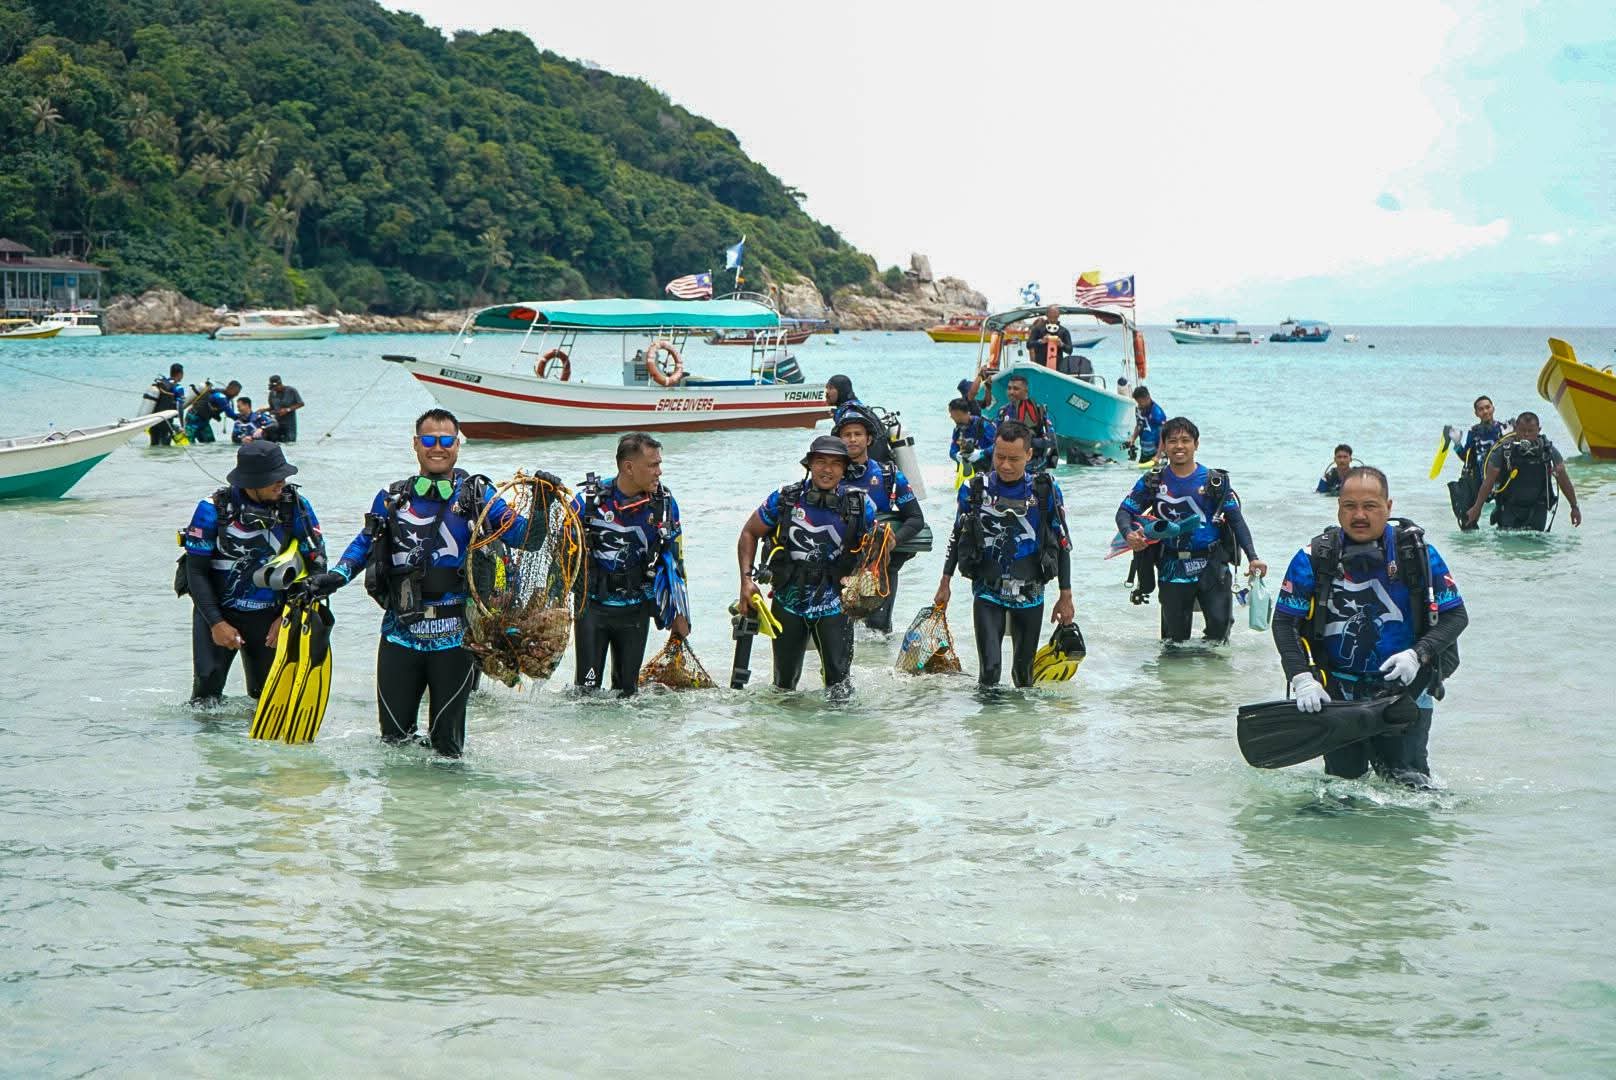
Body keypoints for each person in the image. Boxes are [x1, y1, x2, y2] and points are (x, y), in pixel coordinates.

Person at [300, 408, 533, 758]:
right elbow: (364, 544)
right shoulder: (391, 498)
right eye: (429, 440)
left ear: (457, 445)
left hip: (454, 638)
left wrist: (542, 502)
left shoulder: (478, 496)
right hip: (399, 633)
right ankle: (401, 810)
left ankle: (445, 810)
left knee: (448, 750)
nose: (437, 448)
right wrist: (337, 576)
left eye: (445, 441)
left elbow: (524, 538)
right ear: (415, 444)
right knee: (393, 744)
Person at [1272, 466, 1468, 786]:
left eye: (1370, 506)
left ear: (1389, 507)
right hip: (1336, 695)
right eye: (1349, 506)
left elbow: (1456, 617)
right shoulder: (1313, 558)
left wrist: (1417, 655)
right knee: (1342, 787)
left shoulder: (1418, 556)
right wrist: (1302, 678)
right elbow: (1284, 623)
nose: (1359, 515)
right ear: (1338, 508)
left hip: (1406, 691)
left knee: (1408, 786)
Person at [179, 441, 326, 706]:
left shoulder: (296, 508)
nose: (281, 482)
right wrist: (216, 622)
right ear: (251, 480)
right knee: (205, 696)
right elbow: (196, 572)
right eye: (274, 478)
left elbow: (317, 566)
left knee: (265, 698)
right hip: (217, 613)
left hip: (272, 617)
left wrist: (287, 616)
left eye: (283, 476)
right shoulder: (211, 510)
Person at [935, 420, 1074, 687]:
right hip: (988, 590)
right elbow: (956, 534)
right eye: (999, 457)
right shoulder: (975, 489)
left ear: (1029, 455)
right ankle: (989, 728)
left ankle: (1022, 728)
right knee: (989, 672)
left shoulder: (1044, 490)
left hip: (1031, 591)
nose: (1006, 465)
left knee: (1024, 676)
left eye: (1014, 459)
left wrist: (1065, 595)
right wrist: (945, 582)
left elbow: (1062, 541)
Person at [737, 435, 875, 691]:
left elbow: (874, 549)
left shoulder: (860, 505)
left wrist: (869, 573)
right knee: (783, 685)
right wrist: (746, 581)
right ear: (809, 465)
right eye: (820, 461)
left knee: (840, 686)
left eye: (835, 463)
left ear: (844, 469)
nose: (827, 469)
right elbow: (749, 533)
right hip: (788, 601)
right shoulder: (785, 499)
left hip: (836, 604)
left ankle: (839, 732)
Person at [1116, 416, 1267, 645]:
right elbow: (1124, 512)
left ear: (1196, 444)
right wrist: (1129, 534)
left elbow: (1236, 520)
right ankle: (1176, 682)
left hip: (1212, 564)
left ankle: (1213, 682)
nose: (1179, 446)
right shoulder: (1153, 482)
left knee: (1219, 636)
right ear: (1164, 445)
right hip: (1171, 566)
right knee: (1174, 642)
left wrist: (1253, 558)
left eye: (1186, 440)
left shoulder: (1214, 482)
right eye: (1173, 440)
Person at [571, 432, 689, 695]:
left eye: (659, 464)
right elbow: (561, 553)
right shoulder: (587, 502)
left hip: (636, 611)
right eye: (652, 465)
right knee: (585, 694)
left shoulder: (665, 504)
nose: (659, 471)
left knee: (628, 694)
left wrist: (681, 613)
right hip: (592, 609)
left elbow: (676, 560)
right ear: (629, 468)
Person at [834, 413, 925, 633]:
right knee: (839, 629)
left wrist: (894, 542)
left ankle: (880, 667)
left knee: (878, 630)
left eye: (858, 434)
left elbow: (916, 519)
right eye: (847, 435)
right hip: (838, 566)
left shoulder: (889, 475)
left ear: (869, 439)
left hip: (880, 567)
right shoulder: (829, 475)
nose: (853, 439)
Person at [1464, 411, 1583, 530]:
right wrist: (1477, 508)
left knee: (1536, 546)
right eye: (1522, 430)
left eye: (1530, 431)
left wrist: (1574, 506)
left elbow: (1563, 479)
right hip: (1509, 507)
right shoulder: (1503, 451)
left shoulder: (1547, 451)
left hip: (1538, 508)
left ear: (1539, 430)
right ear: (1515, 428)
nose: (1526, 434)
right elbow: (1488, 482)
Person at [1449, 395, 1511, 529]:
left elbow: (1513, 456)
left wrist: (1509, 437)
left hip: (1502, 479)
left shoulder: (1503, 429)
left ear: (1493, 408)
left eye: (1488, 407)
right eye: (1481, 409)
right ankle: (1474, 546)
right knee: (1467, 522)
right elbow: (1467, 458)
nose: (1485, 411)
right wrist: (1457, 444)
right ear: (1476, 413)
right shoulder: (1474, 432)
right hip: (1480, 479)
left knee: (1505, 523)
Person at [824, 374, 893, 464]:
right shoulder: (858, 407)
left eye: (831, 388)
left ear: (841, 390)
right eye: (827, 388)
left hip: (870, 467)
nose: (827, 392)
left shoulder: (850, 414)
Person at [995, 373, 1057, 472]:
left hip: (1032, 467)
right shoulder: (1003, 412)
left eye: (1016, 389)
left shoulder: (1038, 411)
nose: (1011, 392)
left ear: (1026, 391)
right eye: (1009, 388)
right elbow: (996, 441)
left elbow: (1051, 442)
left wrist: (1026, 441)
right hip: (1007, 466)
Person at [948, 398, 997, 473]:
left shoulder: (985, 425)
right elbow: (952, 451)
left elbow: (999, 446)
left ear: (967, 413)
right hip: (967, 471)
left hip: (987, 470)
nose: (953, 419)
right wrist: (957, 456)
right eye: (952, 416)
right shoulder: (958, 430)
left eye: (957, 416)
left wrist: (982, 453)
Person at [184, 379, 241, 444]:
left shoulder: (225, 397)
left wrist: (216, 416)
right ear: (230, 388)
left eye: (237, 393)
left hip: (204, 421)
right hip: (193, 419)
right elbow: (230, 414)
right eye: (236, 392)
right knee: (187, 443)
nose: (236, 395)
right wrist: (244, 417)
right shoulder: (220, 396)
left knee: (210, 444)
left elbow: (211, 406)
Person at [1026, 305, 1075, 374]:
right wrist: (1040, 341)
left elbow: (1070, 350)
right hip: (1040, 367)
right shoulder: (1038, 329)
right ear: (1046, 315)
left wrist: (1061, 344)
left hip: (1057, 369)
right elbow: (1028, 345)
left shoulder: (1063, 331)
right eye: (1051, 315)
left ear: (1058, 315)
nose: (1053, 317)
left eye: (1055, 315)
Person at [1126, 385, 1167, 463]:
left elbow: (1164, 435)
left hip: (1157, 454)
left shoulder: (1157, 413)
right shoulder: (1139, 409)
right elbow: (1139, 425)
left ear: (1147, 398)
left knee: (1156, 475)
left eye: (1140, 402)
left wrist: (1158, 456)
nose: (1139, 405)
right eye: (1137, 402)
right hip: (1145, 452)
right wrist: (1133, 438)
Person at [149, 363, 186, 446]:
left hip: (154, 422)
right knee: (165, 451)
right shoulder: (178, 388)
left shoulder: (162, 384)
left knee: (153, 447)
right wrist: (182, 426)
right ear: (180, 374)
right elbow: (180, 408)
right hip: (166, 424)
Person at [266, 375, 305, 443]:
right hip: (277, 422)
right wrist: (265, 410)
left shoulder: (291, 390)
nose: (275, 389)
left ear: (280, 384)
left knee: (290, 442)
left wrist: (287, 410)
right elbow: (272, 407)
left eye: (276, 387)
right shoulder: (272, 393)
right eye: (273, 388)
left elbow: (300, 403)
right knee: (276, 441)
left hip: (289, 422)